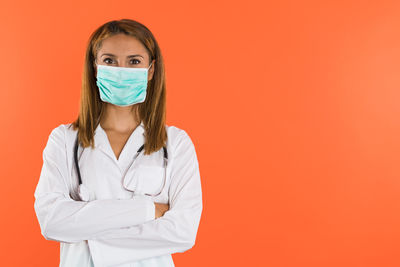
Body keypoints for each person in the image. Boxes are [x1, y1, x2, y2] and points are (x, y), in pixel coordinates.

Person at [33, 19, 203, 267]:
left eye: (134, 61)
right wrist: (146, 210)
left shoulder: (177, 143)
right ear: (95, 68)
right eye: (109, 61)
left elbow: (183, 231)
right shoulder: (64, 140)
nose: (121, 69)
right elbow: (51, 222)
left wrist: (89, 236)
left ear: (151, 70)